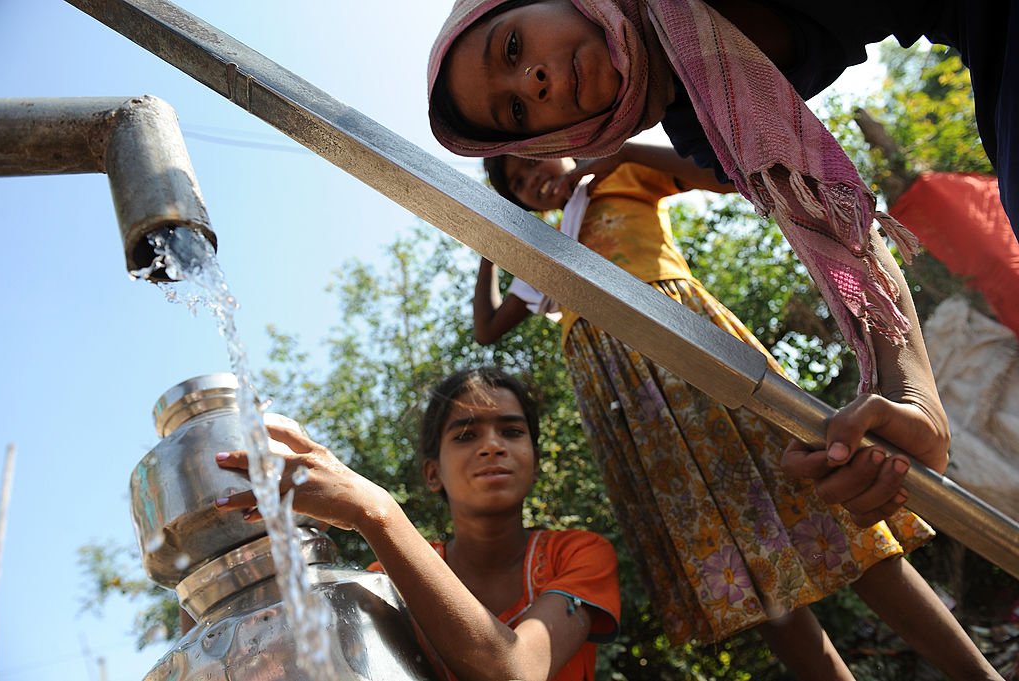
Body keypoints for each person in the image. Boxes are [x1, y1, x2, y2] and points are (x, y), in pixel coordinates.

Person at [425, 0, 983, 527]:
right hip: (622, 373)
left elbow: (732, 184)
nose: (532, 81)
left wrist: (620, 155)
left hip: (685, 330)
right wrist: (910, 395)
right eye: (519, 111)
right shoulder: (555, 242)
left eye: (514, 46)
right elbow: (804, 203)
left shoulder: (616, 176)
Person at [473, 146, 1003, 679]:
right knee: (745, 571)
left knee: (832, 505)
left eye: (534, 162)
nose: (532, 180)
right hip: (627, 400)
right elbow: (488, 328)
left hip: (694, 344)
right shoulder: (541, 253)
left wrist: (623, 148)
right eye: (518, 184)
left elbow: (724, 176)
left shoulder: (620, 175)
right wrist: (492, 241)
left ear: (563, 154)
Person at [213, 366, 621, 681]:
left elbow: (515, 670)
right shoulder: (385, 586)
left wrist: (374, 511)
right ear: (433, 474)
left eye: (512, 431)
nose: (493, 446)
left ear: (534, 462)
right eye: (466, 436)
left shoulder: (579, 554)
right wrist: (217, 552)